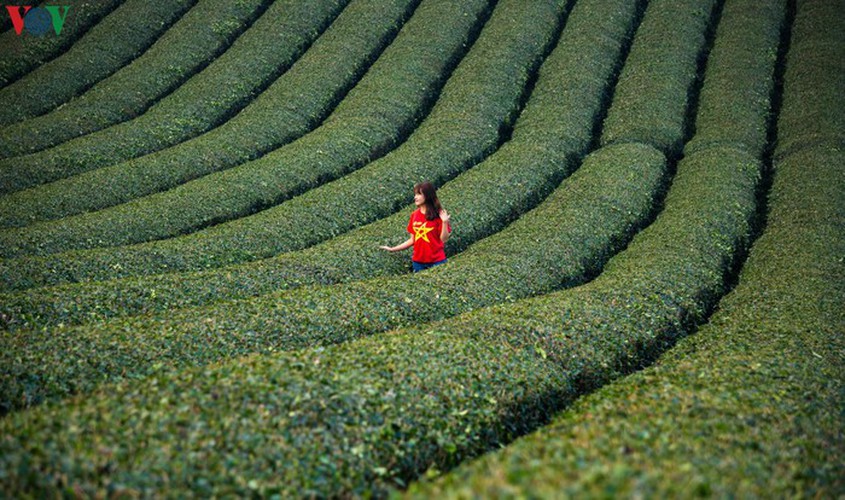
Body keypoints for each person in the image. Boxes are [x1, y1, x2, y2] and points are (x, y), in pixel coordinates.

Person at [380, 181, 451, 272]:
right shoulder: (414, 215)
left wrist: (444, 222)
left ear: (427, 195)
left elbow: (443, 239)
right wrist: (393, 249)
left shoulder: (439, 214)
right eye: (415, 194)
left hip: (437, 261)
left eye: (419, 194)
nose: (415, 197)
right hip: (418, 262)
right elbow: (412, 240)